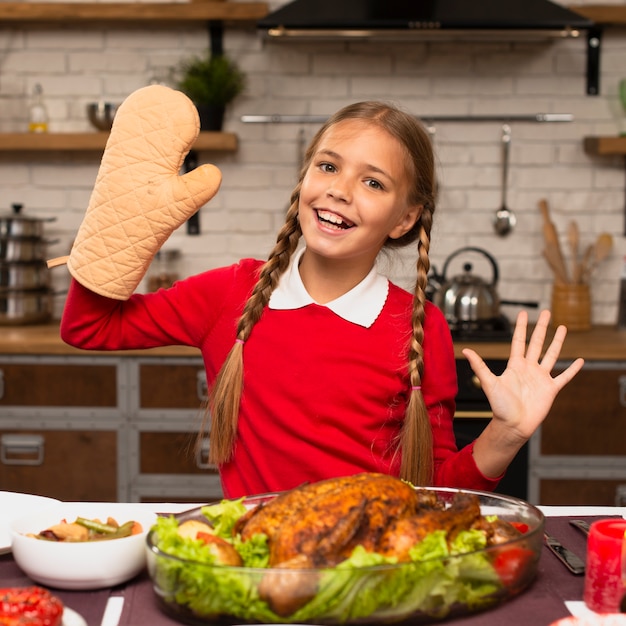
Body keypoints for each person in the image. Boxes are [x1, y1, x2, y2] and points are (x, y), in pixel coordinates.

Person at [59, 99, 584, 499]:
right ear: (305, 177)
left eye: (373, 182)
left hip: (372, 579)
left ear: (405, 218)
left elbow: (439, 496)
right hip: (260, 576)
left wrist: (508, 433)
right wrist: (119, 226)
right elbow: (89, 327)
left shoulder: (419, 326)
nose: (339, 190)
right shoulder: (230, 295)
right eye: (328, 167)